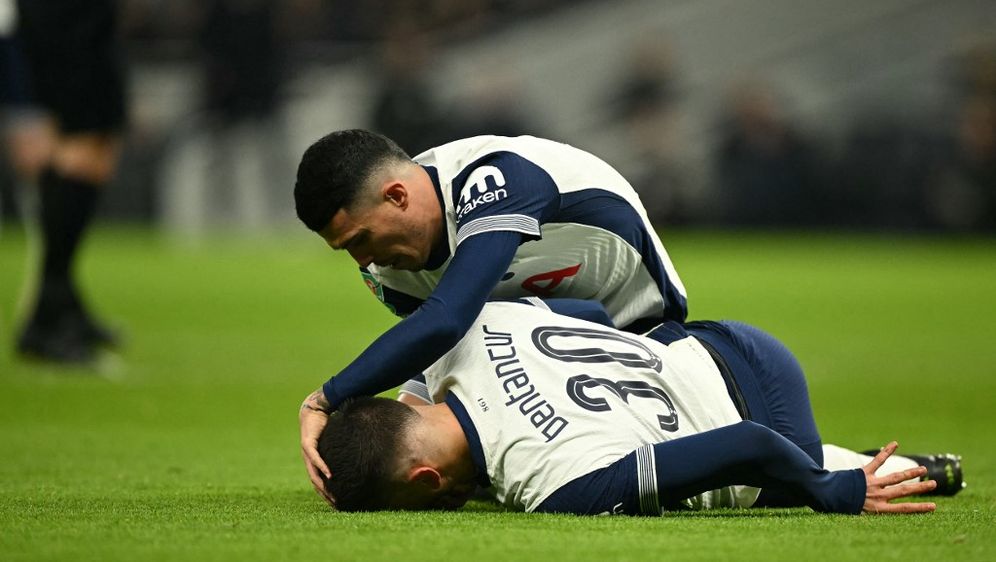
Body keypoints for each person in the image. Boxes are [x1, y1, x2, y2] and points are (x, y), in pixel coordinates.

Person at [294, 130, 688, 501]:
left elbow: (448, 321)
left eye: (361, 239)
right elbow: (449, 351)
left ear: (397, 196)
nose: (362, 260)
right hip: (549, 349)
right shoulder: (390, 274)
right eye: (346, 250)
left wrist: (323, 400)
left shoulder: (495, 176)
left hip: (645, 336)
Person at [315, 299, 964, 515]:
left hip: (768, 419)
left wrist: (828, 491)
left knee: (749, 485)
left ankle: (853, 472)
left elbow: (748, 447)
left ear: (426, 481)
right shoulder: (463, 331)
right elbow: (593, 315)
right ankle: (922, 466)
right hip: (729, 340)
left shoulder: (553, 487)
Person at [13, 0, 127, 362]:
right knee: (77, 148)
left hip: (91, 21)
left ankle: (61, 301)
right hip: (66, 19)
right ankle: (48, 310)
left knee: (99, 146)